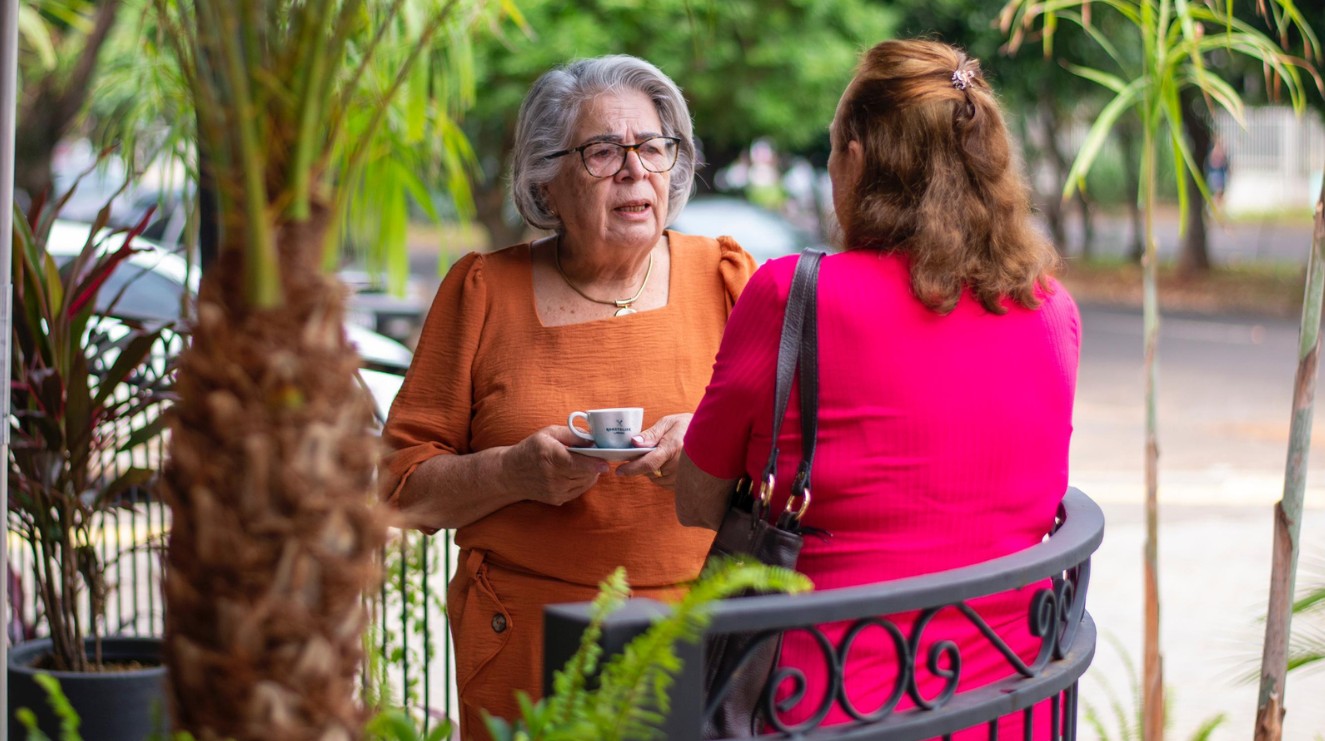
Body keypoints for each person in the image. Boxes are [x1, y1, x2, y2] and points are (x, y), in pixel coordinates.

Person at [676, 39, 1080, 738]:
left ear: (855, 160)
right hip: (1015, 703)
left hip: (836, 704)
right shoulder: (1052, 309)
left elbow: (694, 498)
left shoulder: (791, 295)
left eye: (833, 150)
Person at [379, 55, 756, 740]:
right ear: (547, 181)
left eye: (653, 146)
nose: (635, 169)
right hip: (520, 650)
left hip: (696, 643)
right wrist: (510, 472)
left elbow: (793, 455)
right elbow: (401, 489)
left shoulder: (725, 277)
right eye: (602, 150)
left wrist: (707, 444)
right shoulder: (482, 292)